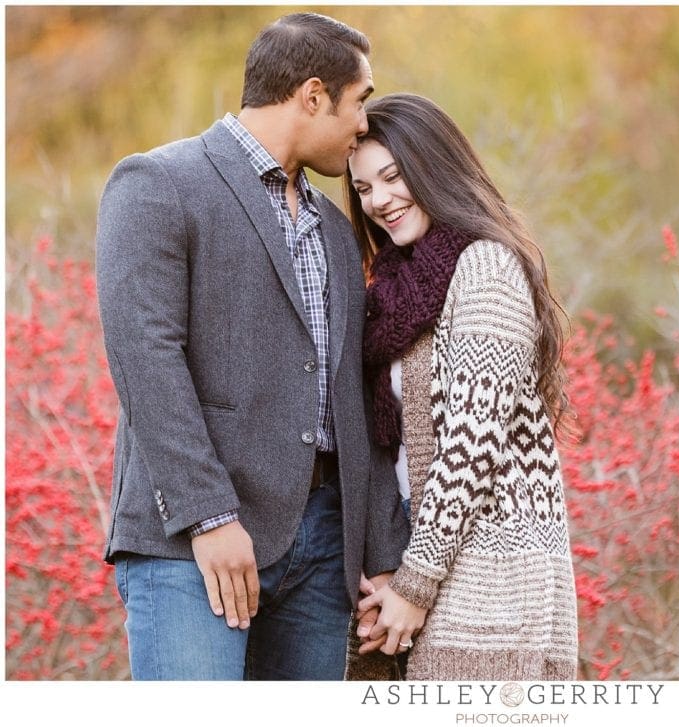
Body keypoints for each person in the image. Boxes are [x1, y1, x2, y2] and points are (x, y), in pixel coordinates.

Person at [94, 13, 409, 680]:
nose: (363, 125)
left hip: (323, 548)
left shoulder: (332, 225)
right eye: (361, 101)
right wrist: (210, 515)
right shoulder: (158, 183)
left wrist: (381, 555)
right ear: (314, 95)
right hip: (191, 546)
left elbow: (355, 393)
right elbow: (145, 356)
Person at [344, 93, 579, 680]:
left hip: (492, 579)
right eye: (365, 188)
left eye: (394, 177)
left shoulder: (486, 268)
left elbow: (471, 450)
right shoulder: (398, 288)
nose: (379, 201)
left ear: (434, 168)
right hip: (434, 563)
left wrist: (416, 584)